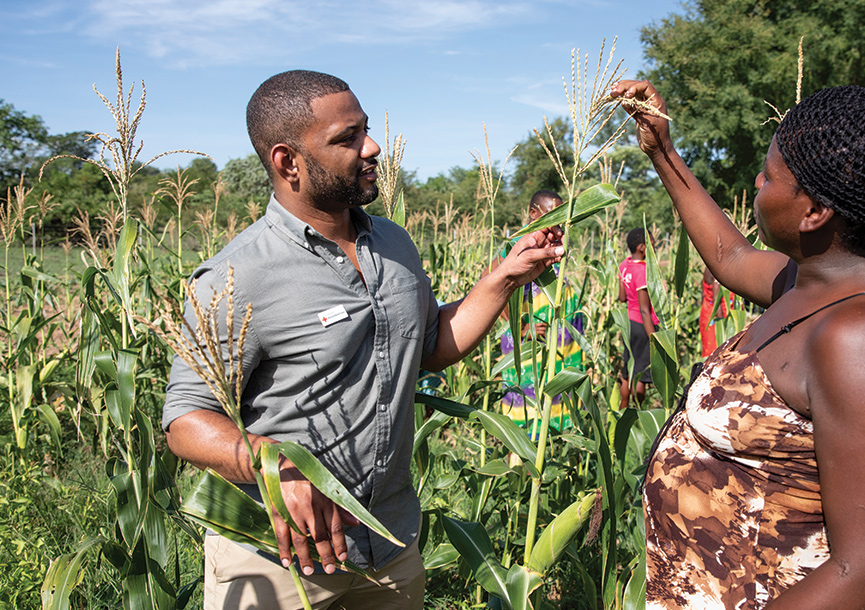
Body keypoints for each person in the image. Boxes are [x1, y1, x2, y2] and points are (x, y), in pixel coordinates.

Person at [162, 70, 563, 610]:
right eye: (346, 138)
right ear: (287, 162)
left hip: (391, 548)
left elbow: (430, 347)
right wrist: (275, 465)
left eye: (366, 130)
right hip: (282, 565)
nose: (372, 148)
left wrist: (505, 276)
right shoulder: (239, 275)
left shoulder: (394, 244)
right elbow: (185, 421)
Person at [612, 80, 865, 609]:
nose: (758, 181)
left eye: (770, 176)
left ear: (814, 212)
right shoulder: (810, 281)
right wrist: (663, 151)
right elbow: (731, 257)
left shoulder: (860, 337)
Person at [497, 190, 585, 438]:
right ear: (533, 214)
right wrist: (521, 328)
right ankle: (522, 470)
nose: (558, 225)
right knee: (526, 413)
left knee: (556, 409)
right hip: (528, 344)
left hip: (557, 344)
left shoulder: (554, 242)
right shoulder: (517, 246)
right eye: (552, 216)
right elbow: (492, 284)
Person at [618, 228, 659, 409]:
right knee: (641, 373)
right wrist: (654, 339)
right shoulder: (643, 271)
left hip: (628, 324)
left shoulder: (624, 265)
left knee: (628, 369)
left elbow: (621, 297)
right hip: (643, 326)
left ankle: (623, 405)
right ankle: (639, 411)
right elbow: (644, 310)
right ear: (642, 247)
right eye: (652, 243)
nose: (655, 247)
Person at [698, 266, 731, 357]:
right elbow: (717, 301)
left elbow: (703, 293)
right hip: (715, 317)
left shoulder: (708, 266)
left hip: (707, 312)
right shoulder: (717, 270)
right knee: (717, 353)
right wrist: (722, 327)